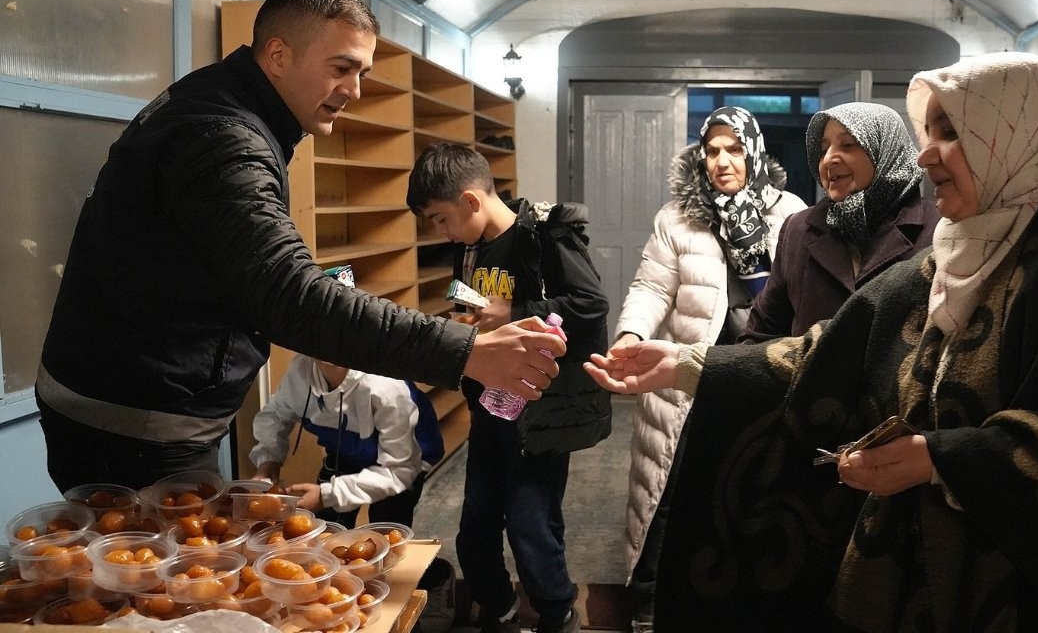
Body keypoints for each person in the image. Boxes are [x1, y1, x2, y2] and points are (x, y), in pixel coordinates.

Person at [584, 53, 1038, 631]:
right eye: (925, 133)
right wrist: (685, 363)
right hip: (922, 577)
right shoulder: (953, 254)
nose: (926, 153)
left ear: (1016, 133)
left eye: (951, 131)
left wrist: (944, 460)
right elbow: (834, 351)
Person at [35, 0, 565, 493]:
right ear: (279, 54)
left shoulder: (219, 107)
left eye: (362, 73)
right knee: (156, 575)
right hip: (131, 421)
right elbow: (288, 294)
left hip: (131, 402)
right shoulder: (222, 138)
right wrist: (466, 350)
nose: (355, 91)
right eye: (342, 68)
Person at [610, 106, 806, 631]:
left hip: (759, 373)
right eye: (712, 150)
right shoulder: (678, 216)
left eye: (734, 149)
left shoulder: (790, 213)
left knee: (747, 486)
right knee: (668, 489)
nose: (722, 161)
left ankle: (731, 595)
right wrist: (633, 333)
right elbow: (652, 287)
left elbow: (805, 294)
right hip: (687, 374)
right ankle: (650, 603)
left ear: (754, 151)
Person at [407, 142, 612, 633]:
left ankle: (557, 610)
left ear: (471, 202)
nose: (441, 232)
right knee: (475, 526)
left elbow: (591, 303)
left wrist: (516, 312)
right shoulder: (471, 245)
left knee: (530, 524)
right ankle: (497, 606)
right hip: (488, 407)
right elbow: (476, 298)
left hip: (539, 412)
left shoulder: (543, 235)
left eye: (440, 219)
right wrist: (465, 314)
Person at [248, 266, 442, 528]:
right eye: (315, 328)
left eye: (339, 327)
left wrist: (330, 493)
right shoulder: (301, 370)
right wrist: (268, 461)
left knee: (387, 529)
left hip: (402, 460)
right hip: (346, 450)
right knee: (324, 527)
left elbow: (399, 471)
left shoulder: (384, 386)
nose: (326, 339)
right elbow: (276, 414)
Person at [739, 102, 938, 341]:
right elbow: (761, 333)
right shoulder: (799, 229)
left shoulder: (938, 228)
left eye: (848, 145)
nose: (829, 159)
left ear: (885, 150)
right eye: (823, 150)